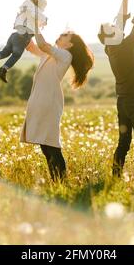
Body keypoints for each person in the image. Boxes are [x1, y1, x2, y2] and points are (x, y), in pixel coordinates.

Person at [20, 10, 94, 182]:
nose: (60, 36)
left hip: (49, 103)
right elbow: (32, 47)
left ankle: (61, 181)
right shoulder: (51, 54)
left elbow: (44, 45)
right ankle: (57, 181)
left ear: (69, 45)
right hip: (40, 101)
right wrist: (24, 24)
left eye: (64, 36)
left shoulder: (65, 56)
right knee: (45, 146)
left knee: (51, 144)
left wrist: (37, 23)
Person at [98, 0, 134, 176]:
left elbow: (121, 20)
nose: (118, 27)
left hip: (122, 101)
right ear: (113, 35)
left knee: (124, 142)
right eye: (114, 29)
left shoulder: (110, 48)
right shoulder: (126, 47)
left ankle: (116, 176)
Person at [0, 0, 47, 83]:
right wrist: (45, 20)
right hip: (22, 37)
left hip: (15, 36)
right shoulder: (33, 10)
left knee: (6, 52)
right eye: (43, 7)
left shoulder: (25, 8)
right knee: (16, 55)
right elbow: (41, 17)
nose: (43, 9)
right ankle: (3, 69)